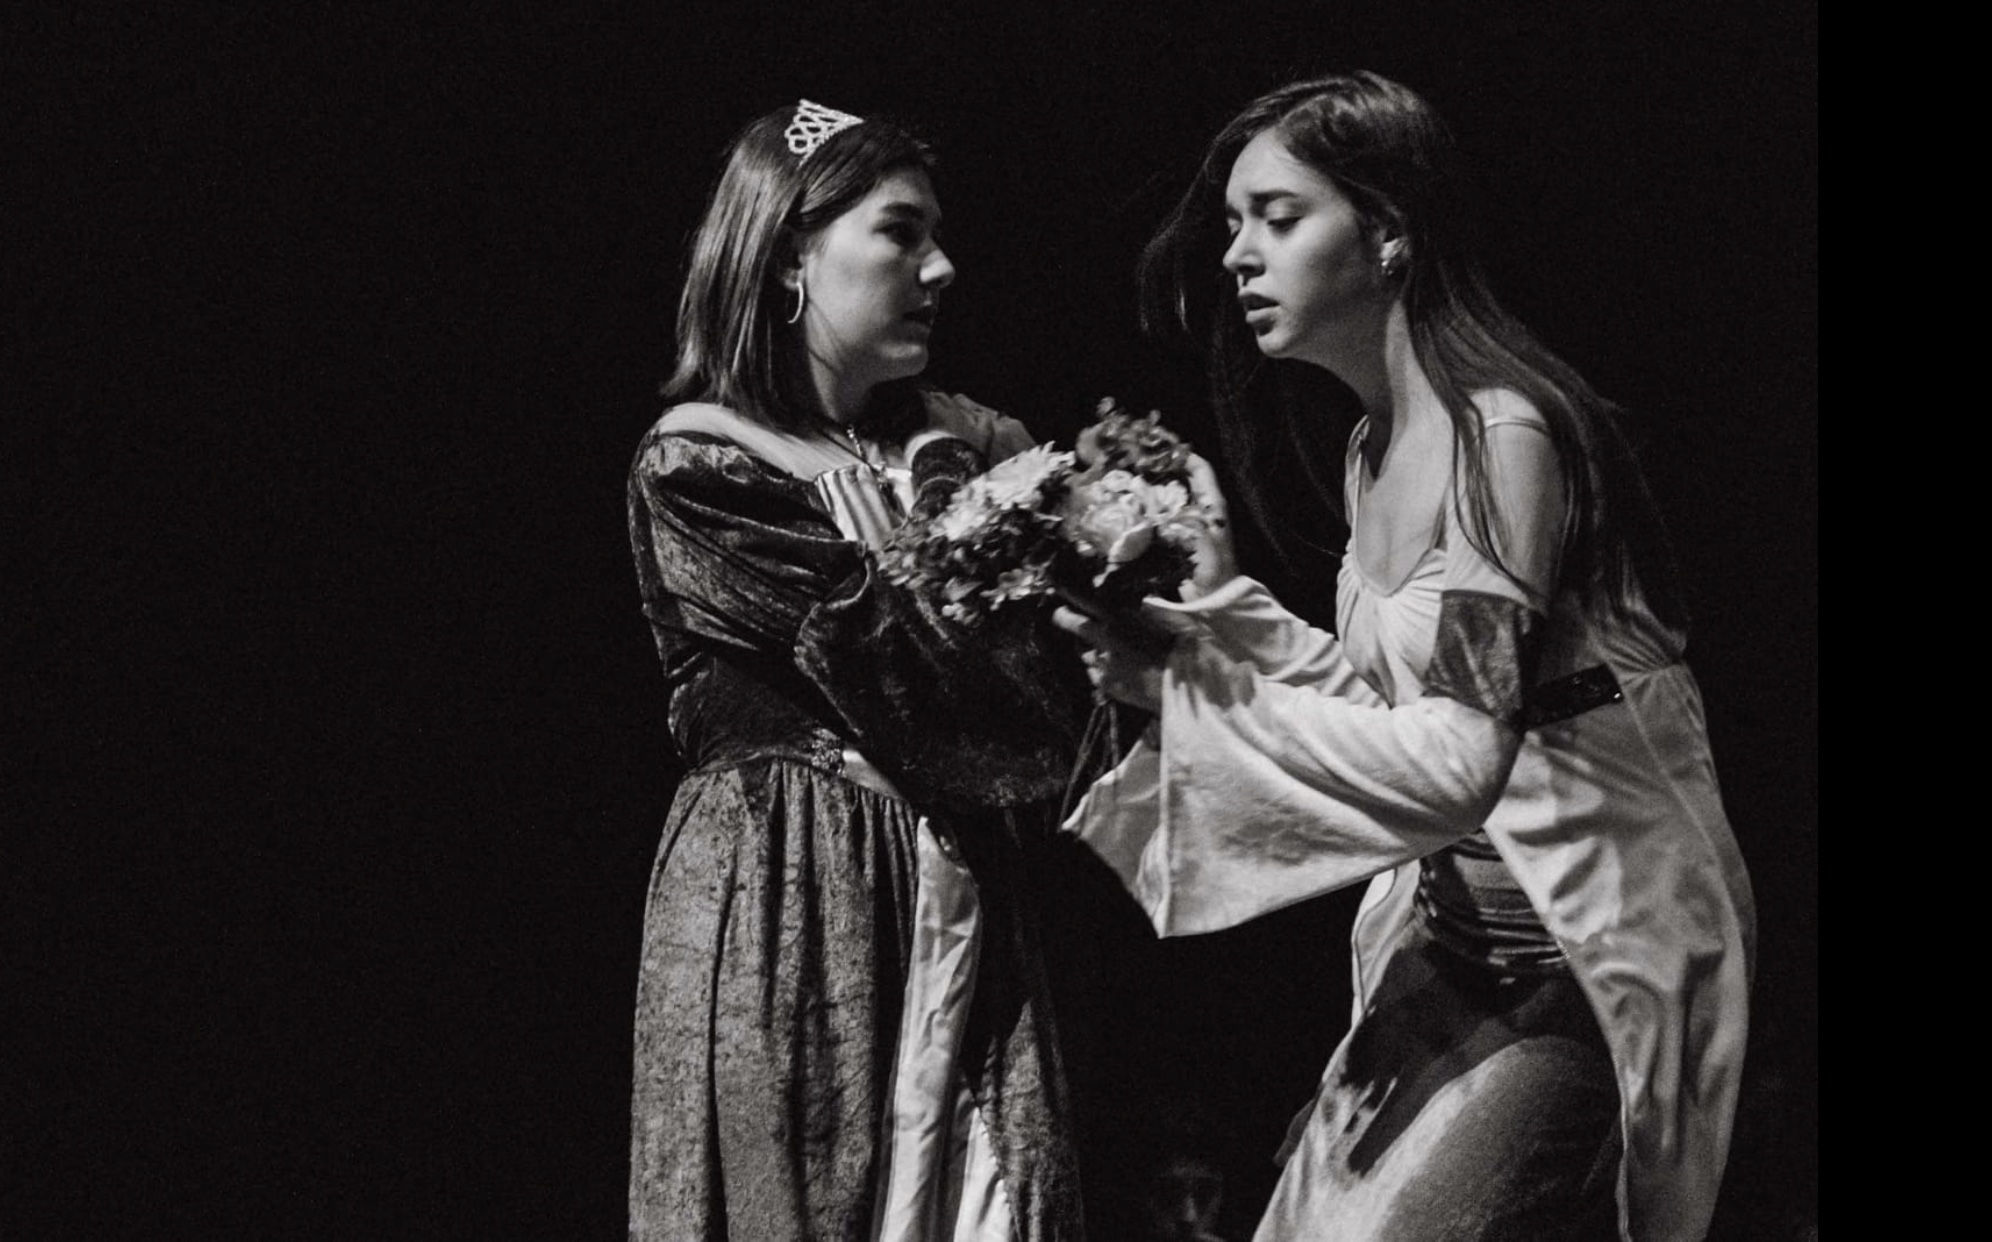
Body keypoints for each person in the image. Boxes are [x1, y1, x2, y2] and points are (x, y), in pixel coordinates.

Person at [1058, 71, 1755, 1241]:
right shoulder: (1373, 449)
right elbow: (1390, 711)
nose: (1238, 255)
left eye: (1279, 218)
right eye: (1234, 223)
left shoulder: (1505, 442)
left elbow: (1458, 760)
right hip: (1451, 943)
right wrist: (1210, 626)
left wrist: (1193, 694)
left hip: (1577, 959)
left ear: (1388, 233)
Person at [626, 99, 1092, 1241]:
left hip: (963, 897)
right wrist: (939, 514)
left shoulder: (957, 442)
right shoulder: (700, 466)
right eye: (899, 231)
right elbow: (930, 690)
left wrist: (948, 505)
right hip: (794, 897)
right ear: (792, 252)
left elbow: (1053, 723)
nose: (941, 266)